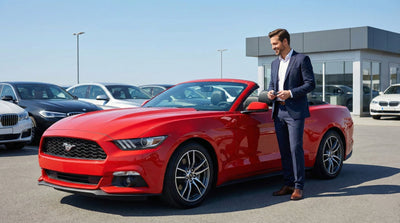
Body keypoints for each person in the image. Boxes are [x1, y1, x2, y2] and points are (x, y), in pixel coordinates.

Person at [267, 28, 315, 200]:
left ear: (285, 42)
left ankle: (298, 187)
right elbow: (272, 84)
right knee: (284, 150)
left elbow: (310, 84)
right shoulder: (274, 63)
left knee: (295, 148)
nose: (273, 47)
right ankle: (287, 184)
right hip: (278, 111)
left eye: (275, 43)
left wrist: (291, 93)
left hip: (295, 111)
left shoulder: (301, 59)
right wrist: (270, 93)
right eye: (272, 44)